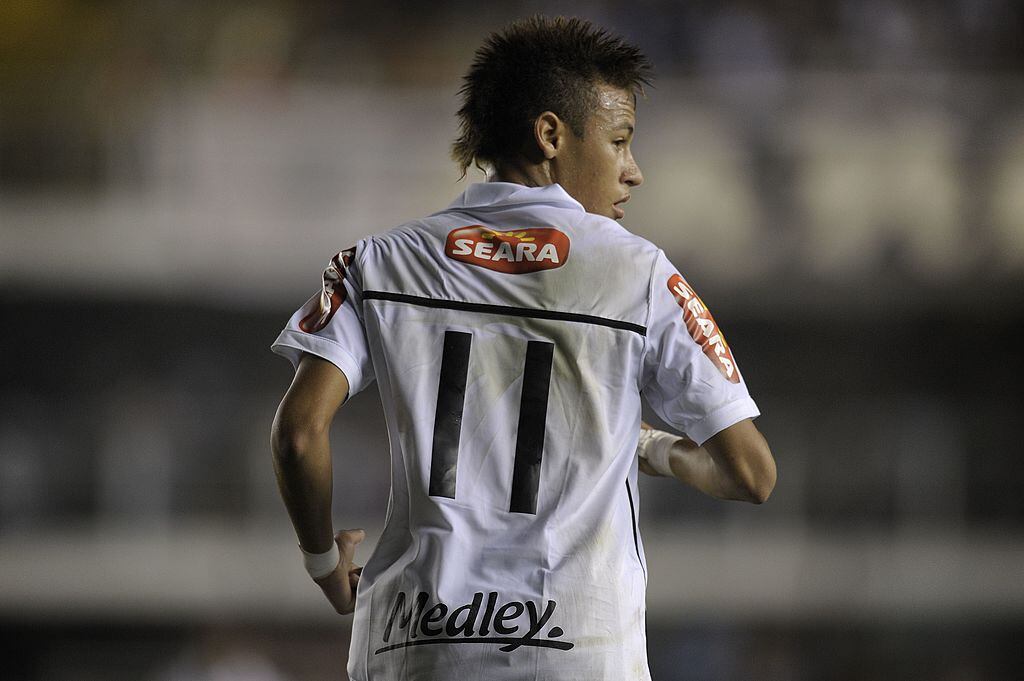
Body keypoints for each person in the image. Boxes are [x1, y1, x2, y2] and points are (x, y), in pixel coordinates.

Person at [270, 15, 776, 681]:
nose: (634, 172)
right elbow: (751, 474)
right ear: (550, 135)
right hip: (579, 650)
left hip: (417, 647)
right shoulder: (641, 275)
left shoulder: (379, 263)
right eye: (620, 142)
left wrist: (322, 562)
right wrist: (650, 446)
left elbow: (299, 434)